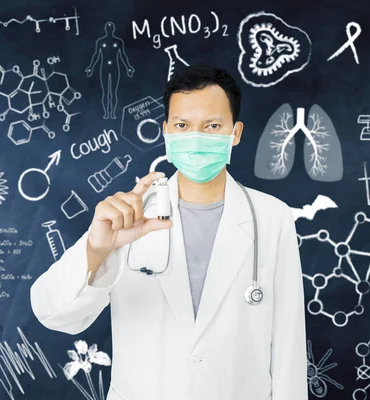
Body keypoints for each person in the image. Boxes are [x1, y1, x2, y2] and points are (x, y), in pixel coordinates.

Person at [30, 64, 308, 400]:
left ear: (235, 133)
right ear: (165, 131)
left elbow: (289, 347)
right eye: (182, 125)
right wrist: (96, 249)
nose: (196, 137)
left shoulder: (272, 217)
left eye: (212, 126)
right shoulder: (129, 213)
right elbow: (52, 313)